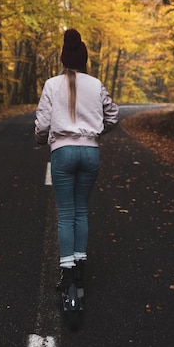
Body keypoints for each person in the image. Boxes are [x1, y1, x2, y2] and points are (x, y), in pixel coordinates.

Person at [35, 28, 119, 294]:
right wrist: (96, 132)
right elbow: (113, 116)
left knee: (66, 214)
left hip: (63, 152)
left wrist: (42, 138)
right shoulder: (96, 85)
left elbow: (42, 124)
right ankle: (80, 266)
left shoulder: (51, 84)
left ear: (62, 59)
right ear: (84, 60)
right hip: (90, 152)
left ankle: (68, 271)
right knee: (81, 210)